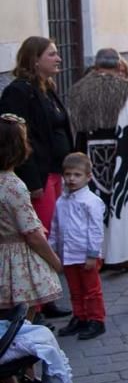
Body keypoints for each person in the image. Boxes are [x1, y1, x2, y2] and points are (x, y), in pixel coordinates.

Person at [0, 37, 73, 319]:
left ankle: (46, 298)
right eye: (52, 54)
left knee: (49, 232)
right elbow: (16, 140)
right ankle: (34, 309)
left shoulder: (47, 88)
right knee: (37, 234)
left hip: (54, 172)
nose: (58, 59)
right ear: (34, 59)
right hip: (37, 178)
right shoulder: (19, 92)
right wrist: (32, 183)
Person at [66, 49, 128, 267]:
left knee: (93, 202)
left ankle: (96, 254)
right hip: (121, 152)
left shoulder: (78, 89)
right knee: (121, 201)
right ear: (117, 65)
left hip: (88, 152)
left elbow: (76, 127)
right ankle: (121, 254)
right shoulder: (124, 88)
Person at [0, 114, 63, 320]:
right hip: (16, 262)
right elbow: (32, 234)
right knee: (21, 324)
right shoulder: (13, 186)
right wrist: (55, 261)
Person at [49, 153, 107, 340]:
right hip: (68, 255)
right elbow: (55, 228)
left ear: (88, 177)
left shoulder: (92, 202)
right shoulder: (61, 202)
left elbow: (96, 230)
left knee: (91, 290)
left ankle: (96, 320)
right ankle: (80, 317)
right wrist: (52, 250)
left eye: (77, 175)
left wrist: (92, 254)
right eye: (68, 174)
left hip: (86, 255)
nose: (71, 179)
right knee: (74, 290)